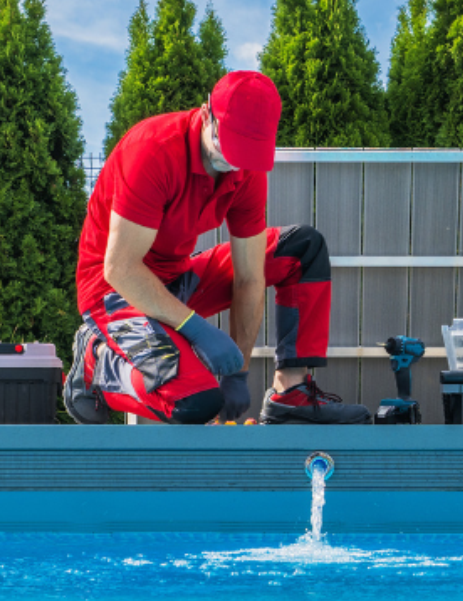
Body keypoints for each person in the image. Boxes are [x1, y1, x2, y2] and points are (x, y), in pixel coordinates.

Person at [64, 70, 371, 425]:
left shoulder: (246, 166)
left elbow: (250, 278)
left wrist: (236, 373)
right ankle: (97, 367)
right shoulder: (153, 150)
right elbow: (120, 269)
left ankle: (290, 395)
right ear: (207, 113)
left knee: (301, 248)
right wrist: (196, 328)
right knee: (194, 403)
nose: (235, 162)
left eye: (246, 153)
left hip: (176, 279)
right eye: (229, 145)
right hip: (116, 293)